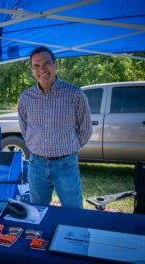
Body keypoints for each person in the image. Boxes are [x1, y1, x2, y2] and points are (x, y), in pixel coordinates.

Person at [18, 46, 92, 208]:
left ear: (55, 65)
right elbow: (25, 129)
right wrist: (35, 147)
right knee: (38, 212)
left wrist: (69, 149)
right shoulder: (25, 98)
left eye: (46, 63)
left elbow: (86, 129)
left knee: (73, 212)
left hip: (66, 165)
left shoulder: (75, 94)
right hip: (36, 165)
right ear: (31, 70)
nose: (42, 69)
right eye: (36, 66)